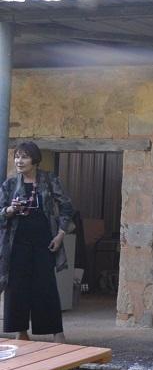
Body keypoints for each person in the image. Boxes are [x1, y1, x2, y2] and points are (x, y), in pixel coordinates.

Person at [0, 141, 74, 343]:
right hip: (17, 244)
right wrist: (9, 210)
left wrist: (60, 234)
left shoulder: (49, 181)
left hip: (44, 242)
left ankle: (56, 332)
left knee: (46, 286)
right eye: (17, 156)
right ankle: (20, 332)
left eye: (24, 157)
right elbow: (0, 214)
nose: (19, 161)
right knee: (16, 287)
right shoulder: (9, 185)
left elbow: (67, 208)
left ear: (35, 160)